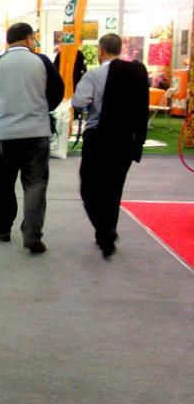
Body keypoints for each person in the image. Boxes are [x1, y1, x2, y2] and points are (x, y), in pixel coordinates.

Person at [0, 22, 64, 253]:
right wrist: (41, 107)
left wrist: (5, 102)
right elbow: (57, 92)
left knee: (3, 183)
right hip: (36, 132)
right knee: (35, 183)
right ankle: (32, 235)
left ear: (8, 40)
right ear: (29, 39)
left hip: (5, 133)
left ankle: (1, 228)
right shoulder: (42, 61)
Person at [72, 33, 149, 258]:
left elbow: (79, 101)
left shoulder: (94, 75)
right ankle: (106, 233)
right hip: (126, 139)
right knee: (114, 188)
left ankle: (104, 230)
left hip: (99, 138)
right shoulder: (136, 73)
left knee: (89, 187)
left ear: (101, 50)